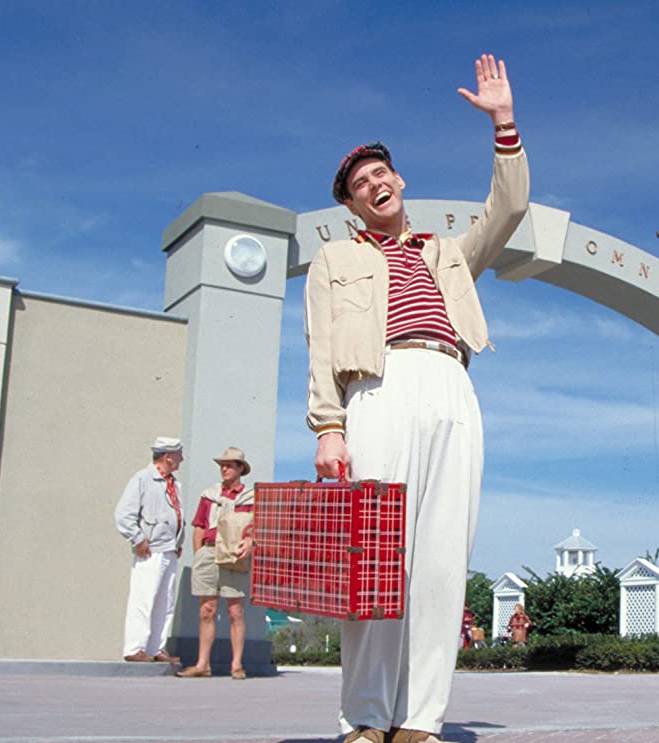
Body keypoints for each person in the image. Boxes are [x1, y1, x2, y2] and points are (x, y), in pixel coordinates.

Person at [304, 53, 528, 743]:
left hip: (452, 383)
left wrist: (504, 122)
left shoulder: (450, 253)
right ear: (349, 205)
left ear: (400, 181)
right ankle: (366, 717)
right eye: (361, 183)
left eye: (382, 173)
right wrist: (328, 427)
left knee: (439, 560)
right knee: (377, 557)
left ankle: (421, 720)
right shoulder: (335, 260)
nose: (376, 185)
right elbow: (318, 348)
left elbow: (511, 206)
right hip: (378, 388)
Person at [176, 447, 255, 680]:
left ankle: (237, 664)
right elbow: (199, 526)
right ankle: (202, 664)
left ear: (240, 468)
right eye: (222, 464)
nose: (225, 468)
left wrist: (250, 543)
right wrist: (199, 554)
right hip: (209, 552)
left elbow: (256, 527)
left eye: (230, 465)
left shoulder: (250, 497)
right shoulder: (209, 495)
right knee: (206, 609)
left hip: (233, 554)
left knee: (235, 611)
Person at [114, 436, 185, 663]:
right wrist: (137, 538)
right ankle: (135, 647)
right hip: (151, 550)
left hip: (169, 549)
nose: (181, 459)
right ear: (168, 457)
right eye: (178, 455)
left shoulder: (174, 484)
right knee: (144, 599)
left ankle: (156, 648)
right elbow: (123, 514)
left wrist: (178, 540)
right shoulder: (143, 479)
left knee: (166, 601)